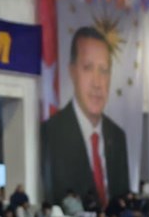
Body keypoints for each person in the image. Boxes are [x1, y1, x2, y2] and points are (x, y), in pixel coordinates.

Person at [39, 26, 130, 207]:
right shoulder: (52, 133)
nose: (97, 83)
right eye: (88, 68)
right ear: (73, 72)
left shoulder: (117, 136)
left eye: (104, 71)